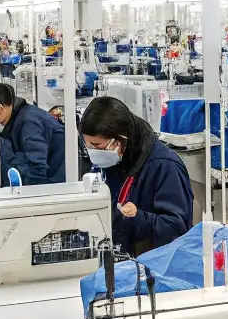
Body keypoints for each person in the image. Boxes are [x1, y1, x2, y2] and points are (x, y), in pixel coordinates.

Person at [80, 96, 193, 257]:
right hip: (122, 258)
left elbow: (177, 228)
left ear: (120, 139)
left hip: (153, 263)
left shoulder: (165, 166)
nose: (94, 153)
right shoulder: (116, 160)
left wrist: (137, 218)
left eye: (97, 146)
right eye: (89, 146)